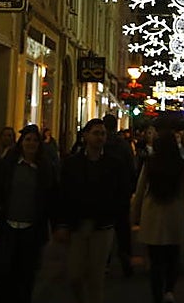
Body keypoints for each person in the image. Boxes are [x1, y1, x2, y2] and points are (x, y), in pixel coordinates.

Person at [53, 117, 130, 303]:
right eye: (96, 133)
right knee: (75, 275)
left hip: (103, 226)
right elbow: (62, 194)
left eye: (102, 134)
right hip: (77, 225)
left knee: (96, 277)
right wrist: (61, 224)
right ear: (85, 135)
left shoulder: (114, 164)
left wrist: (117, 219)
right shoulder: (72, 163)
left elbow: (121, 194)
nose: (100, 137)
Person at [0, 123, 58, 303]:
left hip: (32, 228)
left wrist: (55, 226)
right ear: (21, 142)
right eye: (28, 140)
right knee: (5, 270)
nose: (31, 143)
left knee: (27, 273)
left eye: (35, 140)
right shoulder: (10, 165)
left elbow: (50, 198)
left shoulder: (43, 169)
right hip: (9, 226)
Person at [132, 131, 184, 303]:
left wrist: (134, 215)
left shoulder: (149, 164)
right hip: (174, 216)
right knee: (173, 257)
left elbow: (139, 193)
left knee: (155, 261)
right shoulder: (181, 165)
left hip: (152, 216)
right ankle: (169, 290)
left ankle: (157, 295)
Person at [103, 112, 137, 277]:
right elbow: (132, 168)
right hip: (121, 193)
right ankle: (126, 261)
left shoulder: (100, 144)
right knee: (123, 231)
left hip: (103, 193)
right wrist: (130, 188)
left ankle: (104, 262)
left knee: (103, 229)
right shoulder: (123, 145)